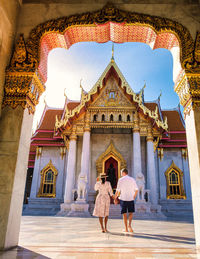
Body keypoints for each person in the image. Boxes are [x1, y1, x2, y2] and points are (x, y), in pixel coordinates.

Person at [114, 168, 138, 233]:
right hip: (131, 198)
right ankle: (129, 226)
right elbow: (136, 189)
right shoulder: (132, 179)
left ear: (123, 173)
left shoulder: (121, 180)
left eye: (121, 173)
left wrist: (115, 198)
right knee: (131, 213)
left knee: (124, 214)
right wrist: (134, 197)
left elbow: (118, 190)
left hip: (123, 198)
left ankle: (126, 228)